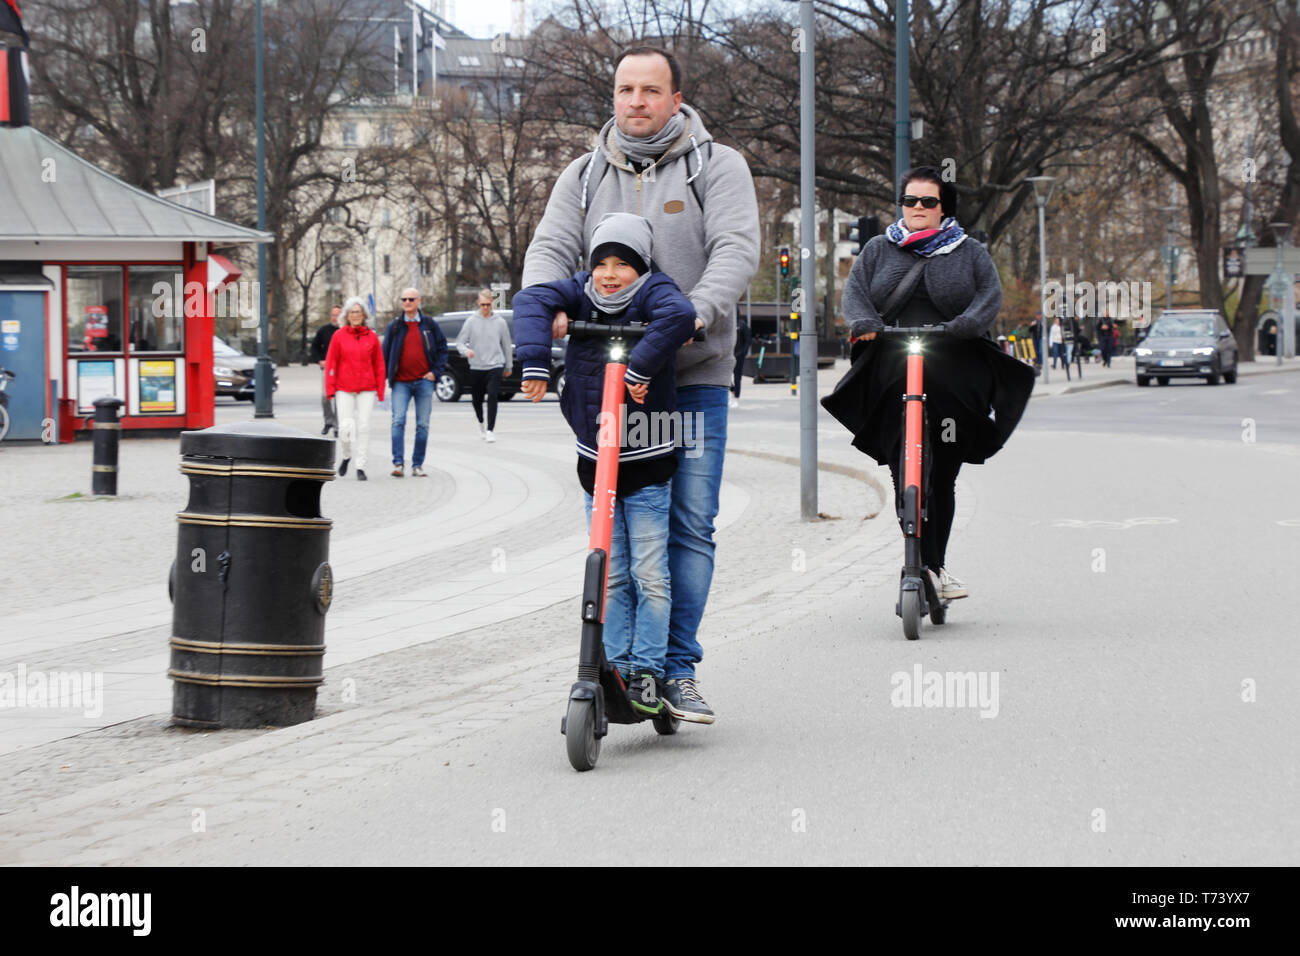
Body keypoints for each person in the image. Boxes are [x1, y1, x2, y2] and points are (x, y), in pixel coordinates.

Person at [522, 46, 759, 723]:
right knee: (617, 531)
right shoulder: (586, 171)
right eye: (625, 89)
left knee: (688, 526)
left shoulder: (719, 165)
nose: (636, 101)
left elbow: (737, 249)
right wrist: (548, 304)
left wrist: (698, 315)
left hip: (693, 378)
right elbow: (549, 248)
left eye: (650, 90)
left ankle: (677, 670)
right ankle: (622, 664)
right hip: (611, 382)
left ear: (676, 97)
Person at [822, 165, 1034, 601]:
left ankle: (935, 567)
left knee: (945, 468)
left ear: (943, 208)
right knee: (906, 467)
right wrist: (864, 323)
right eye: (910, 201)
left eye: (928, 202)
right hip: (893, 362)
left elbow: (988, 295)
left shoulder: (969, 251)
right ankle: (914, 559)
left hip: (953, 364)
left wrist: (964, 325)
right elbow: (856, 291)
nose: (917, 208)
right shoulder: (879, 249)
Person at [516, 213, 698, 714]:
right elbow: (530, 298)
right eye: (603, 264)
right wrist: (534, 359)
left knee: (650, 573)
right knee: (610, 573)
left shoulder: (655, 292)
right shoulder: (580, 291)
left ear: (641, 267)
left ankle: (647, 669)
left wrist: (640, 365)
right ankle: (614, 665)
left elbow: (680, 316)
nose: (611, 274)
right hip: (595, 459)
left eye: (623, 264)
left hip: (647, 461)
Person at [381, 288, 447, 478]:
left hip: (423, 382)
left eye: (411, 299)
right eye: (404, 299)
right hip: (401, 383)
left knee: (423, 425)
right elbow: (385, 354)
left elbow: (442, 349)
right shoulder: (394, 326)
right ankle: (398, 463)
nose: (407, 302)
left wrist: (435, 372)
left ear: (419, 301)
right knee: (397, 421)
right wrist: (383, 378)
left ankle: (417, 465)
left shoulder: (429, 324)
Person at [325, 297, 385, 481]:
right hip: (344, 387)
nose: (355, 315)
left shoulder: (372, 337)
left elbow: (379, 365)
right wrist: (330, 388)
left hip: (367, 387)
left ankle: (360, 465)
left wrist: (380, 390)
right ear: (347, 316)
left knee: (364, 426)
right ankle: (346, 455)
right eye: (352, 312)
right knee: (345, 428)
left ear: (364, 315)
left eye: (358, 312)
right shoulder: (339, 336)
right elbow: (331, 363)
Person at [455, 289, 514, 443]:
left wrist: (508, 366)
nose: (486, 308)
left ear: (492, 304)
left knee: (493, 396)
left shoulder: (500, 322)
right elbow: (460, 342)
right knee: (477, 399)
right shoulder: (471, 321)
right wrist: (466, 351)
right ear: (478, 303)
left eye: (488, 304)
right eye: (483, 305)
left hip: (495, 364)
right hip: (476, 366)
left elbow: (507, 345)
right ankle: (481, 422)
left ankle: (490, 430)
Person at [312, 305, 342, 435]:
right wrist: (319, 360)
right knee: (326, 397)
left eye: (338, 315)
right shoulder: (324, 330)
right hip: (328, 368)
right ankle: (328, 421)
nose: (335, 318)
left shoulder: (346, 330)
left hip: (342, 369)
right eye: (333, 315)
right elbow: (314, 347)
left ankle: (337, 426)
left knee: (340, 398)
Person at [730, 310, 751, 408]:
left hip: (739, 355)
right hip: (728, 355)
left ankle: (736, 398)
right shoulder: (728, 324)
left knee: (737, 377)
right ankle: (732, 393)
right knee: (726, 377)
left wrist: (744, 353)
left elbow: (748, 340)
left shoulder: (742, 324)